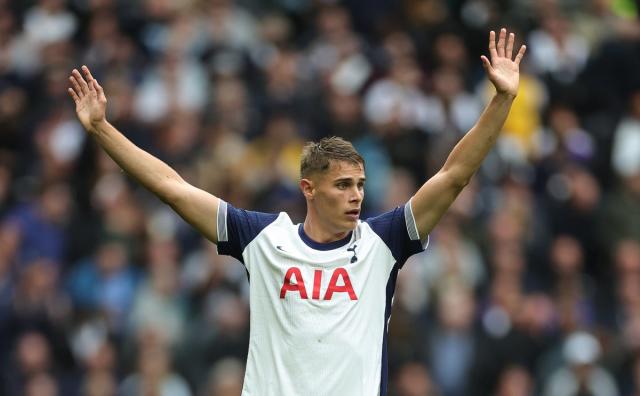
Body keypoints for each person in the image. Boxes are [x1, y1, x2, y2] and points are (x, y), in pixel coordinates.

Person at [67, 28, 526, 396]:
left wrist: (502, 101)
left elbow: (453, 177)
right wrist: (103, 129)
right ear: (308, 188)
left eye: (361, 186)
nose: (356, 197)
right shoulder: (265, 239)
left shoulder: (382, 243)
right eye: (343, 185)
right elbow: (173, 188)